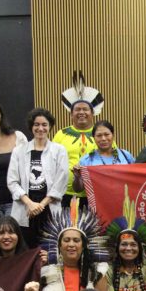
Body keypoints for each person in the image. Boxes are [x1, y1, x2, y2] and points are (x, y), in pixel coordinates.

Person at [7, 108, 68, 248]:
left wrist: (41, 205)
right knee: (26, 251)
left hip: (49, 209)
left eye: (44, 124)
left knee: (50, 252)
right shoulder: (18, 151)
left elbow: (61, 180)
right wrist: (30, 204)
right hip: (25, 209)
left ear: (50, 126)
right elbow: (12, 181)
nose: (40, 128)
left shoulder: (59, 150)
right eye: (36, 124)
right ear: (31, 127)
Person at [54, 71, 104, 206]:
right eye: (77, 110)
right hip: (66, 194)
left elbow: (113, 159)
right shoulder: (61, 134)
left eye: (85, 109)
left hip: (96, 193)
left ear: (92, 113)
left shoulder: (101, 134)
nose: (81, 112)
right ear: (71, 114)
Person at [72, 120, 135, 193]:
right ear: (94, 138)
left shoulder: (126, 155)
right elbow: (78, 190)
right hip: (98, 203)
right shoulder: (86, 160)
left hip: (125, 202)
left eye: (106, 134)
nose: (103, 139)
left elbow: (135, 179)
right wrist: (77, 177)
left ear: (113, 135)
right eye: (99, 135)